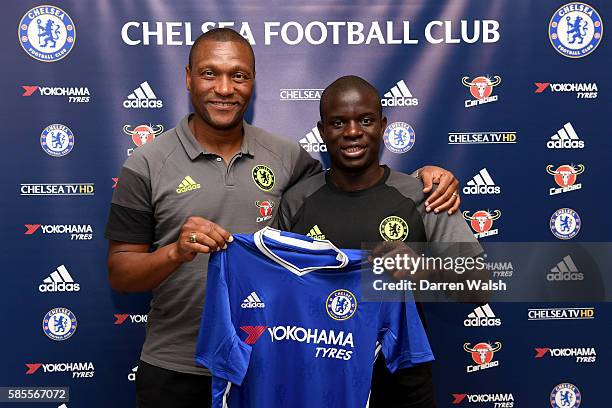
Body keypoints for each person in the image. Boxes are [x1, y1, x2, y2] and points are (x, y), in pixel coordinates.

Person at [105, 29, 462, 408]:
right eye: (210, 73)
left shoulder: (287, 158)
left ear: (253, 82)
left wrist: (427, 176)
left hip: (264, 366)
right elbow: (120, 274)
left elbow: (351, 181)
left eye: (238, 75)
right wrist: (174, 252)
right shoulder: (144, 164)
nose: (225, 88)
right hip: (175, 367)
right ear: (189, 77)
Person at [278, 75, 483, 407]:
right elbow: (275, 294)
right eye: (338, 122)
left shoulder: (424, 195)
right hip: (316, 380)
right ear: (321, 130)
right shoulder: (296, 201)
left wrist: (424, 270)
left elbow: (479, 285)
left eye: (366, 120)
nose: (353, 131)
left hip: (402, 384)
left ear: (383, 125)